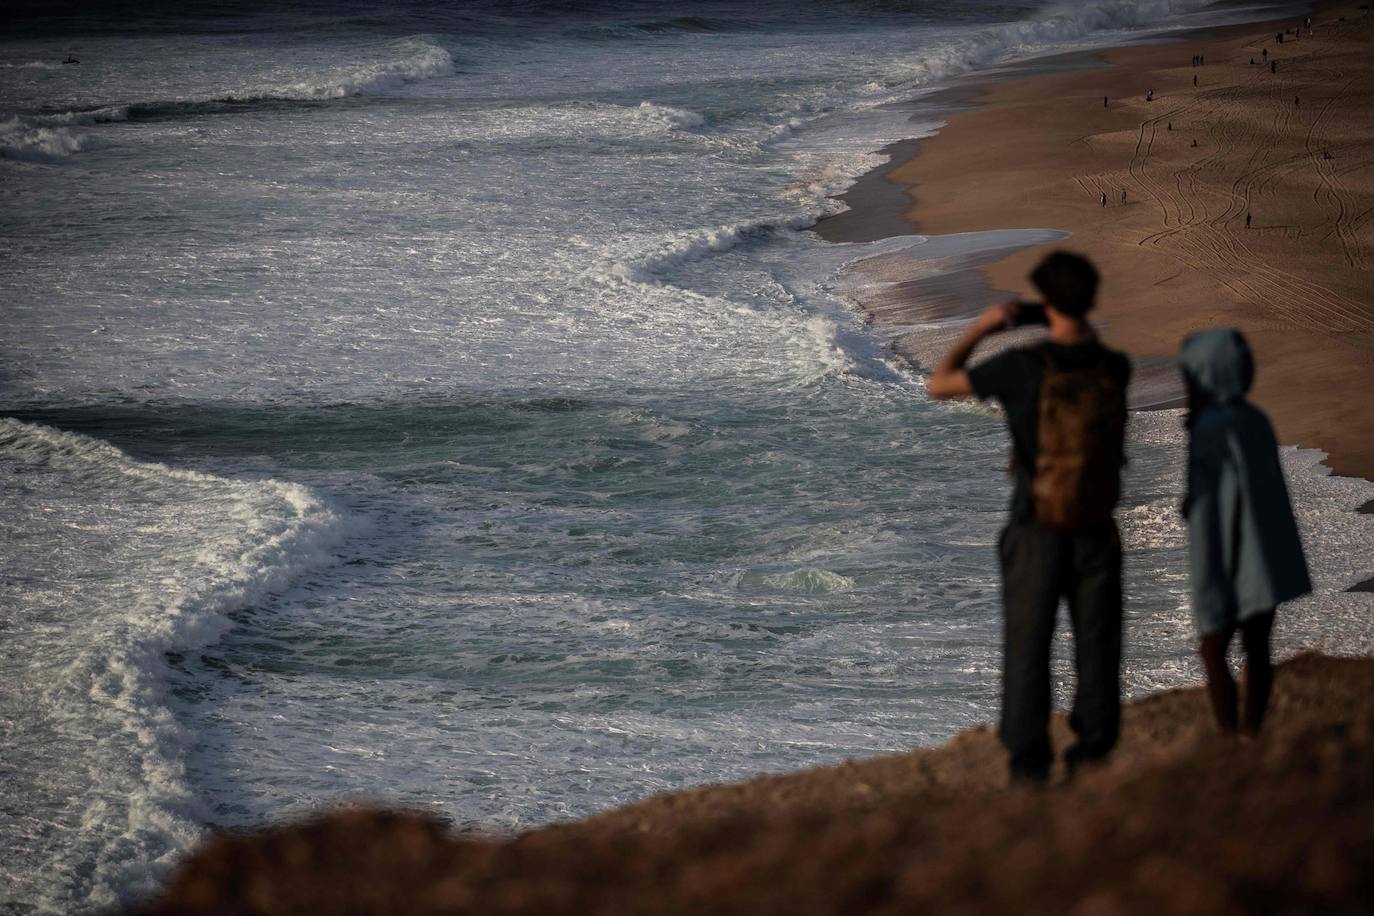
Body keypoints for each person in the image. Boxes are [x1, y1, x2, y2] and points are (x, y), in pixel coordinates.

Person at [927, 252, 1130, 785]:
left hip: (1034, 524)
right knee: (1098, 643)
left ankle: (1028, 762)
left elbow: (940, 383)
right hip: (1095, 527)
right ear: (1090, 299)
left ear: (1044, 299)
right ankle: (1093, 751)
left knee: (1027, 646)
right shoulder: (1115, 367)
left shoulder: (1020, 366)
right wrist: (1056, 316)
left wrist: (985, 325)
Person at [1178, 329, 1311, 734]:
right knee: (1258, 647)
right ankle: (1252, 732)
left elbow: (1208, 511)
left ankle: (1230, 737)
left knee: (1212, 648)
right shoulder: (1256, 419)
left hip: (1227, 555)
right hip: (1265, 557)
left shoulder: (1209, 429)